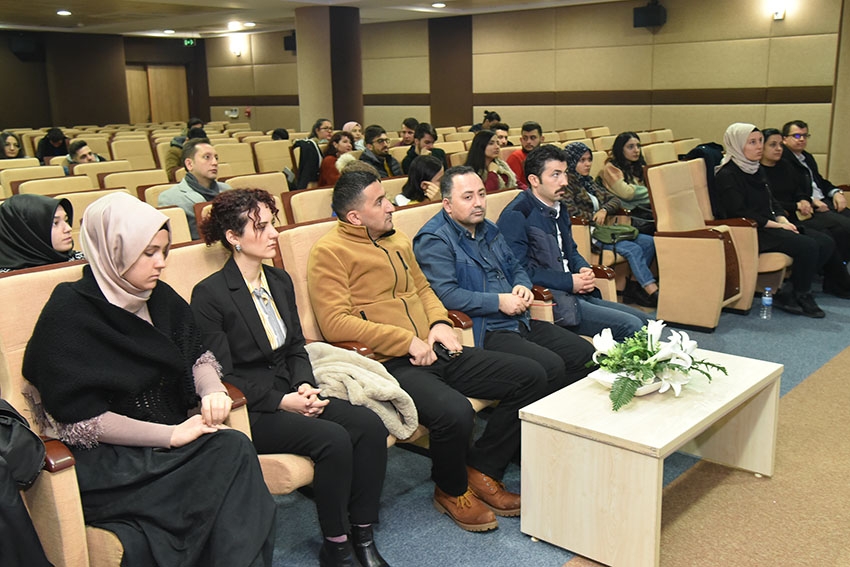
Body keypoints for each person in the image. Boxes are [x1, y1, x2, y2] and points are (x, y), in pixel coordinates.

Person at [22, 192, 276, 567]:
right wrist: (170, 436)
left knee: (232, 456)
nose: (161, 263)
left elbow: (197, 354)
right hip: (111, 464)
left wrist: (212, 391)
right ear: (114, 251)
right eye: (149, 253)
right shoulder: (68, 312)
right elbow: (82, 420)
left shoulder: (157, 295)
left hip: (167, 442)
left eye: (164, 251)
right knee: (233, 460)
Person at [308, 169, 550, 532]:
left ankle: (482, 468)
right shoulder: (330, 252)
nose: (391, 207)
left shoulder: (396, 240)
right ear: (355, 217)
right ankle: (451, 489)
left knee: (531, 376)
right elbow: (335, 323)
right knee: (455, 412)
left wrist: (439, 323)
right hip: (388, 361)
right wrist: (404, 341)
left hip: (432, 347)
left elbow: (423, 290)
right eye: (380, 202)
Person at [191, 189, 390, 567]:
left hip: (292, 390)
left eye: (273, 224)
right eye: (262, 227)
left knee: (369, 424)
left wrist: (304, 385)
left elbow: (296, 346)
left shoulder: (279, 281)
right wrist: (282, 401)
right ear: (233, 237)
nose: (274, 233)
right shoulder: (210, 295)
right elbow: (222, 373)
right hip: (252, 408)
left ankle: (363, 532)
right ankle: (337, 545)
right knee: (333, 439)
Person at [413, 165, 595, 396]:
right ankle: (528, 417)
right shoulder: (434, 239)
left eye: (481, 194)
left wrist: (522, 285)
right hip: (485, 329)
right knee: (550, 367)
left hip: (519, 319)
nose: (478, 203)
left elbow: (516, 266)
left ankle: (555, 412)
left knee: (585, 355)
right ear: (447, 205)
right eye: (468, 197)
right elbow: (446, 295)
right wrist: (499, 301)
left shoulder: (488, 227)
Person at [498, 145, 649, 340]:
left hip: (575, 293)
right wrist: (570, 281)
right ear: (534, 180)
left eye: (565, 173)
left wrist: (583, 268)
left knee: (646, 321)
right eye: (555, 175)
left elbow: (571, 250)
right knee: (632, 326)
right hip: (551, 299)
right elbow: (518, 272)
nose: (565, 182)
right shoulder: (517, 215)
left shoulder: (559, 206)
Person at [715, 123, 833, 317]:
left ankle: (790, 292)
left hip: (770, 225)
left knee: (825, 242)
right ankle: (802, 294)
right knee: (808, 246)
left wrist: (783, 220)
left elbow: (772, 201)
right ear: (736, 144)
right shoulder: (727, 174)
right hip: (749, 231)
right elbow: (740, 212)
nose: (759, 146)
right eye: (752, 142)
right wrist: (778, 225)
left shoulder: (755, 168)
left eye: (760, 141)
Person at [563, 142, 659, 307]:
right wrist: (594, 216)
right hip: (588, 235)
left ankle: (634, 287)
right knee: (633, 249)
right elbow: (571, 212)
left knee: (648, 241)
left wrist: (604, 210)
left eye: (589, 159)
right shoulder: (566, 185)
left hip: (604, 230)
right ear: (571, 162)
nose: (588, 164)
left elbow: (614, 200)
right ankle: (652, 291)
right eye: (582, 160)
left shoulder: (588, 182)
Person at [761, 127, 850, 267]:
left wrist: (804, 199)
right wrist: (797, 205)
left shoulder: (787, 165)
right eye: (773, 145)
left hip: (800, 212)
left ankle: (835, 274)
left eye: (780, 145)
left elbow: (800, 188)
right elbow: (770, 201)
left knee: (830, 232)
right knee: (830, 234)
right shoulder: (758, 171)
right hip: (783, 217)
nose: (778, 149)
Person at [158, 138, 233, 240]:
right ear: (189, 164)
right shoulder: (169, 198)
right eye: (207, 157)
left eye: (216, 158)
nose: (215, 162)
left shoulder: (227, 190)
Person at [780, 119, 849, 219]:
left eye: (805, 136)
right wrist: (811, 200)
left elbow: (819, 181)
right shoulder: (782, 160)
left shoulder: (807, 157)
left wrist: (836, 192)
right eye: (797, 136)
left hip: (824, 200)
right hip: (810, 207)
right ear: (784, 139)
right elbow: (790, 189)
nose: (802, 139)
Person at [0, 194, 84, 272]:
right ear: (26, 233)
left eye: (66, 220)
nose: (68, 228)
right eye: (55, 223)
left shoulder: (83, 260)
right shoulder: (5, 278)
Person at [597, 132, 651, 210]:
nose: (636, 150)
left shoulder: (638, 164)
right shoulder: (611, 168)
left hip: (646, 206)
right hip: (628, 210)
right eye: (630, 147)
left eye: (638, 146)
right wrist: (651, 192)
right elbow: (627, 193)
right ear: (620, 149)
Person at [295, 118, 334, 189]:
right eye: (326, 128)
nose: (329, 131)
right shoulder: (310, 146)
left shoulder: (333, 145)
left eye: (331, 129)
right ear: (317, 130)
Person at [506, 121, 543, 189]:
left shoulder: (546, 155)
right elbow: (515, 184)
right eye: (525, 138)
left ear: (542, 139)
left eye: (533, 138)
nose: (528, 142)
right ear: (521, 140)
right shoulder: (516, 157)